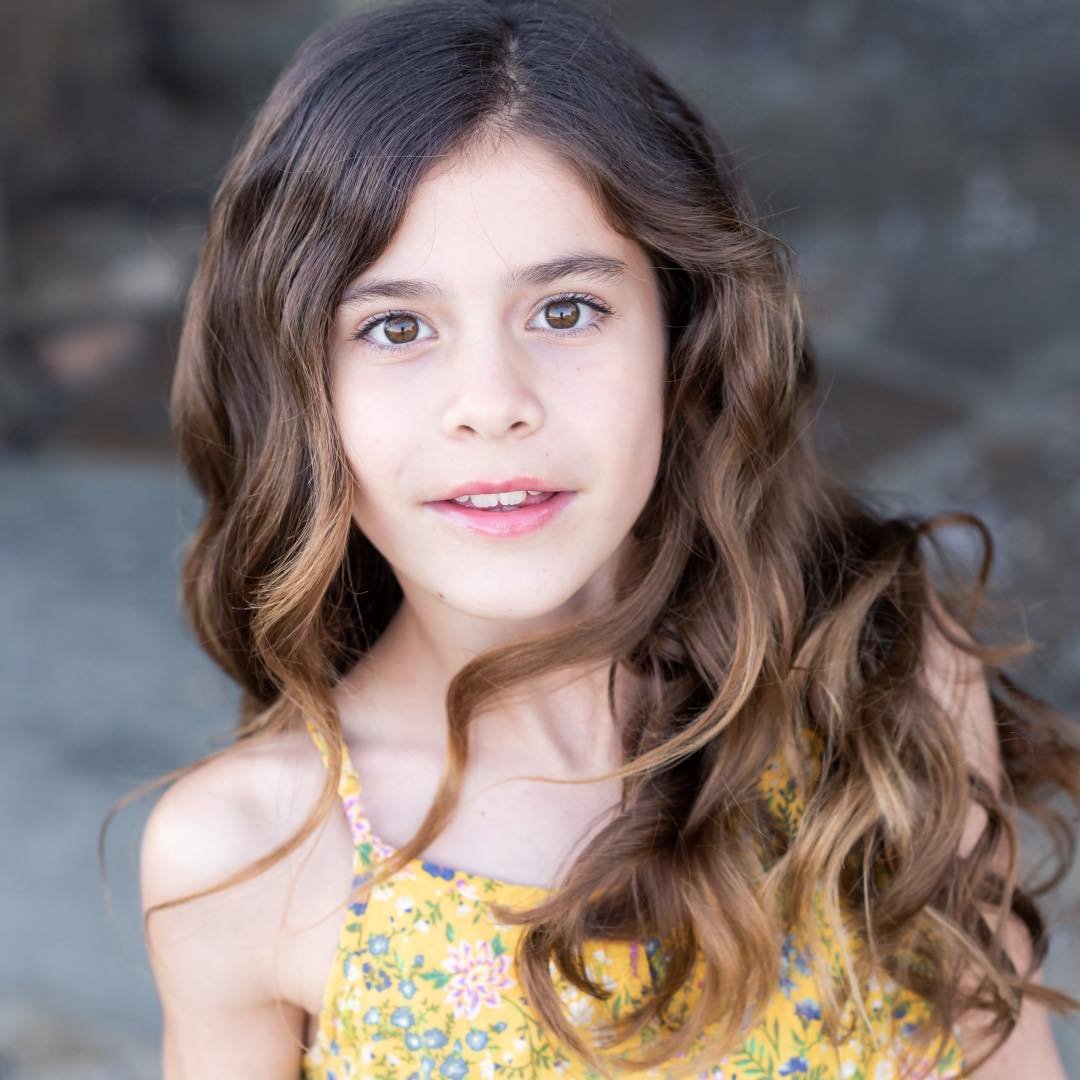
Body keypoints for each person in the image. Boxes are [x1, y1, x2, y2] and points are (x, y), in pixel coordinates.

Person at [127, 0, 1080, 1076]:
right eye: (396, 327)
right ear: (293, 388)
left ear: (683, 335)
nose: (494, 404)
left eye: (567, 310)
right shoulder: (249, 855)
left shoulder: (884, 680)